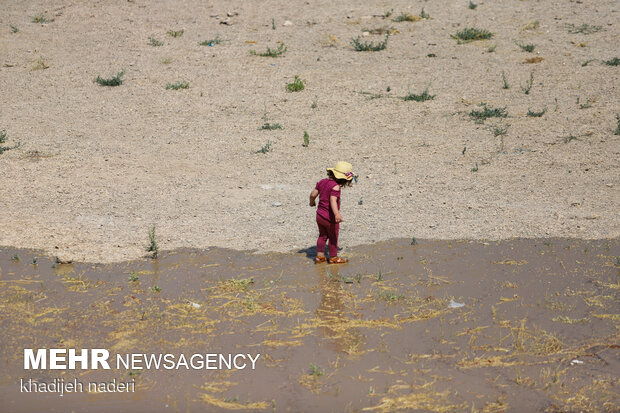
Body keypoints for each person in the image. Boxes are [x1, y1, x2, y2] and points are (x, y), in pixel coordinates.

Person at [309, 161, 357, 264]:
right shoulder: (335, 186)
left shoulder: (322, 182)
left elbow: (313, 194)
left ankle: (320, 256)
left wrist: (312, 202)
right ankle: (333, 257)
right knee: (333, 237)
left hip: (319, 216)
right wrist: (337, 214)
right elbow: (332, 200)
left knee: (322, 235)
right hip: (329, 217)